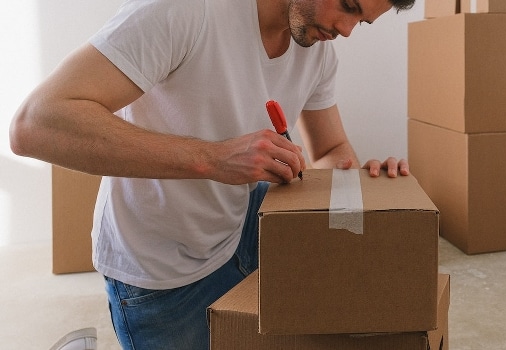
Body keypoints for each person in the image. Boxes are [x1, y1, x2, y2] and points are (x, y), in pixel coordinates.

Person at [9, 0, 413, 348]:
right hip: (161, 271)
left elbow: (329, 150)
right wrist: (213, 159)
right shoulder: (186, 11)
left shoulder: (317, 49)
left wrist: (358, 180)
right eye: (347, 4)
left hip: (245, 229)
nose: (344, 30)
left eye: (362, 22)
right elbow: (34, 124)